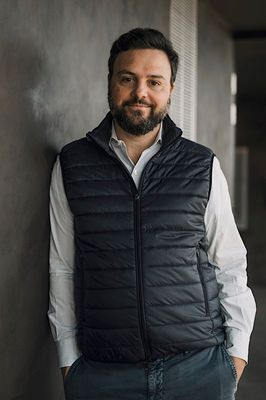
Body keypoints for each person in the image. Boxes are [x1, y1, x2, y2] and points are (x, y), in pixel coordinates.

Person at [48, 28, 256, 400]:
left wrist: (234, 359)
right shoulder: (72, 164)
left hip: (199, 369)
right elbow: (62, 266)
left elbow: (229, 265)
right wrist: (69, 362)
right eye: (127, 79)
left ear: (171, 89)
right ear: (110, 82)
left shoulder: (201, 164)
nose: (140, 92)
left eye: (154, 82)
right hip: (102, 374)